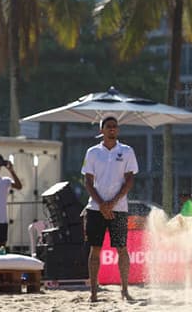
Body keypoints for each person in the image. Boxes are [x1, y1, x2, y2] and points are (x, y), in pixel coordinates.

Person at [82, 116, 138, 303]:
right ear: (101, 130)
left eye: (115, 127)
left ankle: (124, 290)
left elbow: (130, 180)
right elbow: (88, 182)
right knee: (95, 249)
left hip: (119, 208)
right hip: (95, 208)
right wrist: (102, 204)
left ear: (118, 130)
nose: (112, 129)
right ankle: (93, 292)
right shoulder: (92, 152)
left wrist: (112, 203)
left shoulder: (127, 151)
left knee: (122, 249)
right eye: (109, 127)